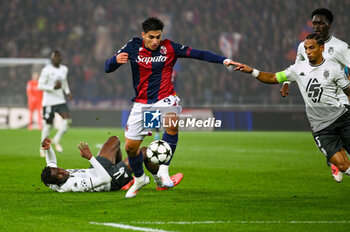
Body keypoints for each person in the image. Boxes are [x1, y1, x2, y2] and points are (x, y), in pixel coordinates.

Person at [104, 17, 238, 198]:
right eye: (151, 37)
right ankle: (140, 178)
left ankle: (164, 170)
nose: (155, 41)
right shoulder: (132, 46)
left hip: (165, 98)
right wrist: (114, 60)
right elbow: (107, 68)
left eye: (158, 37)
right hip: (142, 103)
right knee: (130, 148)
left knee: (171, 123)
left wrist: (224, 60)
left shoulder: (170, 48)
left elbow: (198, 53)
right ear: (143, 35)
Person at [235, 33, 350, 181]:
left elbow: (348, 91)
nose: (308, 51)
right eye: (306, 48)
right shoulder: (297, 68)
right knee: (342, 165)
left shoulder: (334, 68)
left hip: (342, 118)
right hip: (321, 128)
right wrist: (252, 71)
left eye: (312, 48)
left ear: (322, 48)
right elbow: (273, 77)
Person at [279, 8, 350, 182]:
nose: (317, 26)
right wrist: (287, 82)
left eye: (321, 23)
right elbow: (297, 65)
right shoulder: (305, 46)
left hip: (340, 99)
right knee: (328, 134)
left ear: (329, 24)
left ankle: (335, 160)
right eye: (315, 23)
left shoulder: (340, 47)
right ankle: (334, 160)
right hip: (319, 100)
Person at [40, 136, 183, 193]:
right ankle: (160, 183)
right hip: (109, 179)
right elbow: (105, 179)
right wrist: (90, 158)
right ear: (57, 183)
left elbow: (50, 162)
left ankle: (126, 180)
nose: (62, 171)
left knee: (114, 140)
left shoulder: (51, 180)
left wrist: (48, 148)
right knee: (144, 152)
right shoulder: (74, 186)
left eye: (58, 169)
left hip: (95, 169)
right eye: (59, 175)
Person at [38, 50, 73, 157]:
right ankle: (42, 148)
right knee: (48, 126)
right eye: (55, 57)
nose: (57, 58)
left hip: (60, 100)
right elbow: (40, 85)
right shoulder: (46, 70)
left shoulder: (64, 69)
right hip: (49, 102)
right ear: (52, 58)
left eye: (58, 56)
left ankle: (56, 140)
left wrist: (67, 92)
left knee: (67, 120)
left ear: (61, 58)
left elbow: (64, 82)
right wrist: (52, 88)